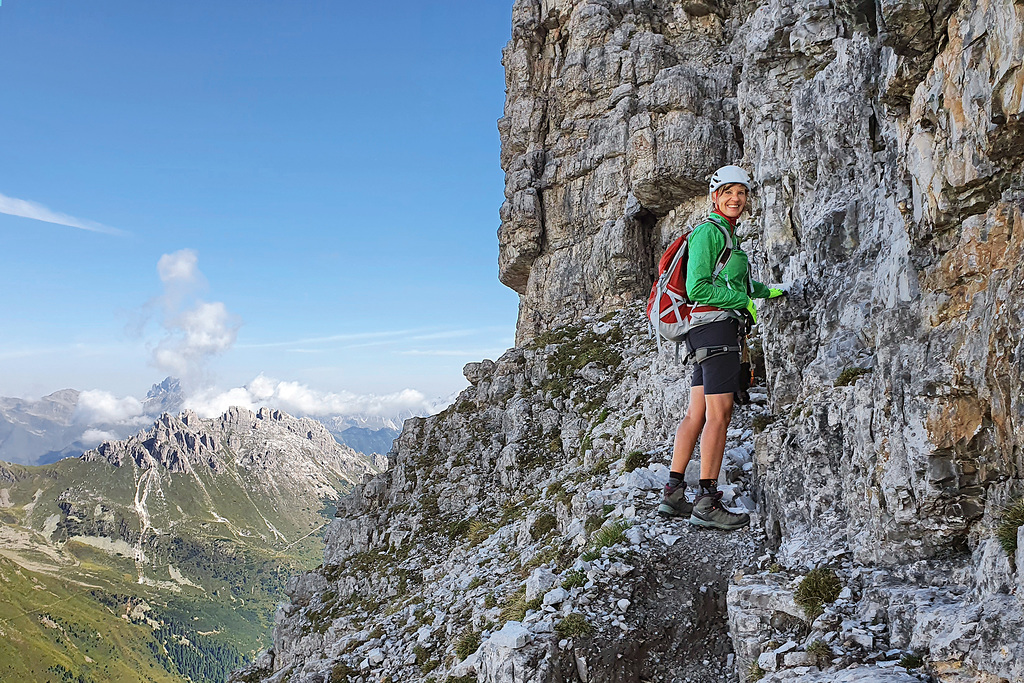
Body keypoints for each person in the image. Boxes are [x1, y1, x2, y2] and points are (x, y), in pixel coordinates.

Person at [657, 165, 785, 530]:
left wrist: (771, 291)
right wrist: (742, 302)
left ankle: (673, 493)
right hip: (716, 331)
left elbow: (739, 283)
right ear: (714, 196)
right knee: (720, 414)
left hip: (704, 333)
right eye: (728, 191)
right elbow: (698, 288)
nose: (735, 199)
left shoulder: (726, 236)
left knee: (696, 413)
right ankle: (707, 502)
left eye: (741, 193)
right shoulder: (709, 232)